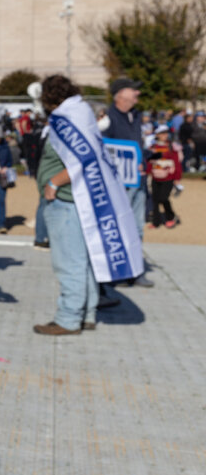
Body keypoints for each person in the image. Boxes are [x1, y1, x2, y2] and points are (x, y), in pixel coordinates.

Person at [34, 75, 100, 335]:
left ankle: (69, 318)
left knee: (69, 262)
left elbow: (83, 159)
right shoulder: (81, 112)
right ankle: (88, 313)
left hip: (65, 200)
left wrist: (53, 182)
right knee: (82, 261)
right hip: (76, 200)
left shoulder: (67, 118)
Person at [101, 77, 153, 287]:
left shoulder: (136, 116)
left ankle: (135, 271)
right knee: (119, 226)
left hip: (138, 181)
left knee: (137, 227)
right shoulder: (108, 118)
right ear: (120, 94)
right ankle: (119, 272)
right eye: (134, 90)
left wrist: (146, 157)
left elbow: (135, 146)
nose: (137, 94)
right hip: (119, 184)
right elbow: (105, 149)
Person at [148, 125, 181, 228]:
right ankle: (156, 222)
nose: (165, 135)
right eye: (162, 133)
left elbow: (177, 163)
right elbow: (149, 161)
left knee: (163, 198)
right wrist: (148, 171)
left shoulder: (172, 146)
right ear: (157, 135)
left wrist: (177, 178)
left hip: (168, 178)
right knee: (155, 200)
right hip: (155, 177)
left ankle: (170, 217)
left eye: (166, 133)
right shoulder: (153, 147)